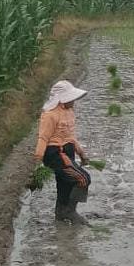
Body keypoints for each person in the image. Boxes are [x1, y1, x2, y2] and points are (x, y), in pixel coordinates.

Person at [35, 80, 93, 225]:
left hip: (68, 150)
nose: (74, 100)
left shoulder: (69, 112)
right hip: (56, 153)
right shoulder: (50, 115)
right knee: (83, 178)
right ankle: (70, 211)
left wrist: (81, 153)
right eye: (71, 98)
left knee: (65, 183)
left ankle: (60, 213)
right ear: (61, 99)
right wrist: (37, 161)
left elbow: (71, 137)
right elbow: (43, 138)